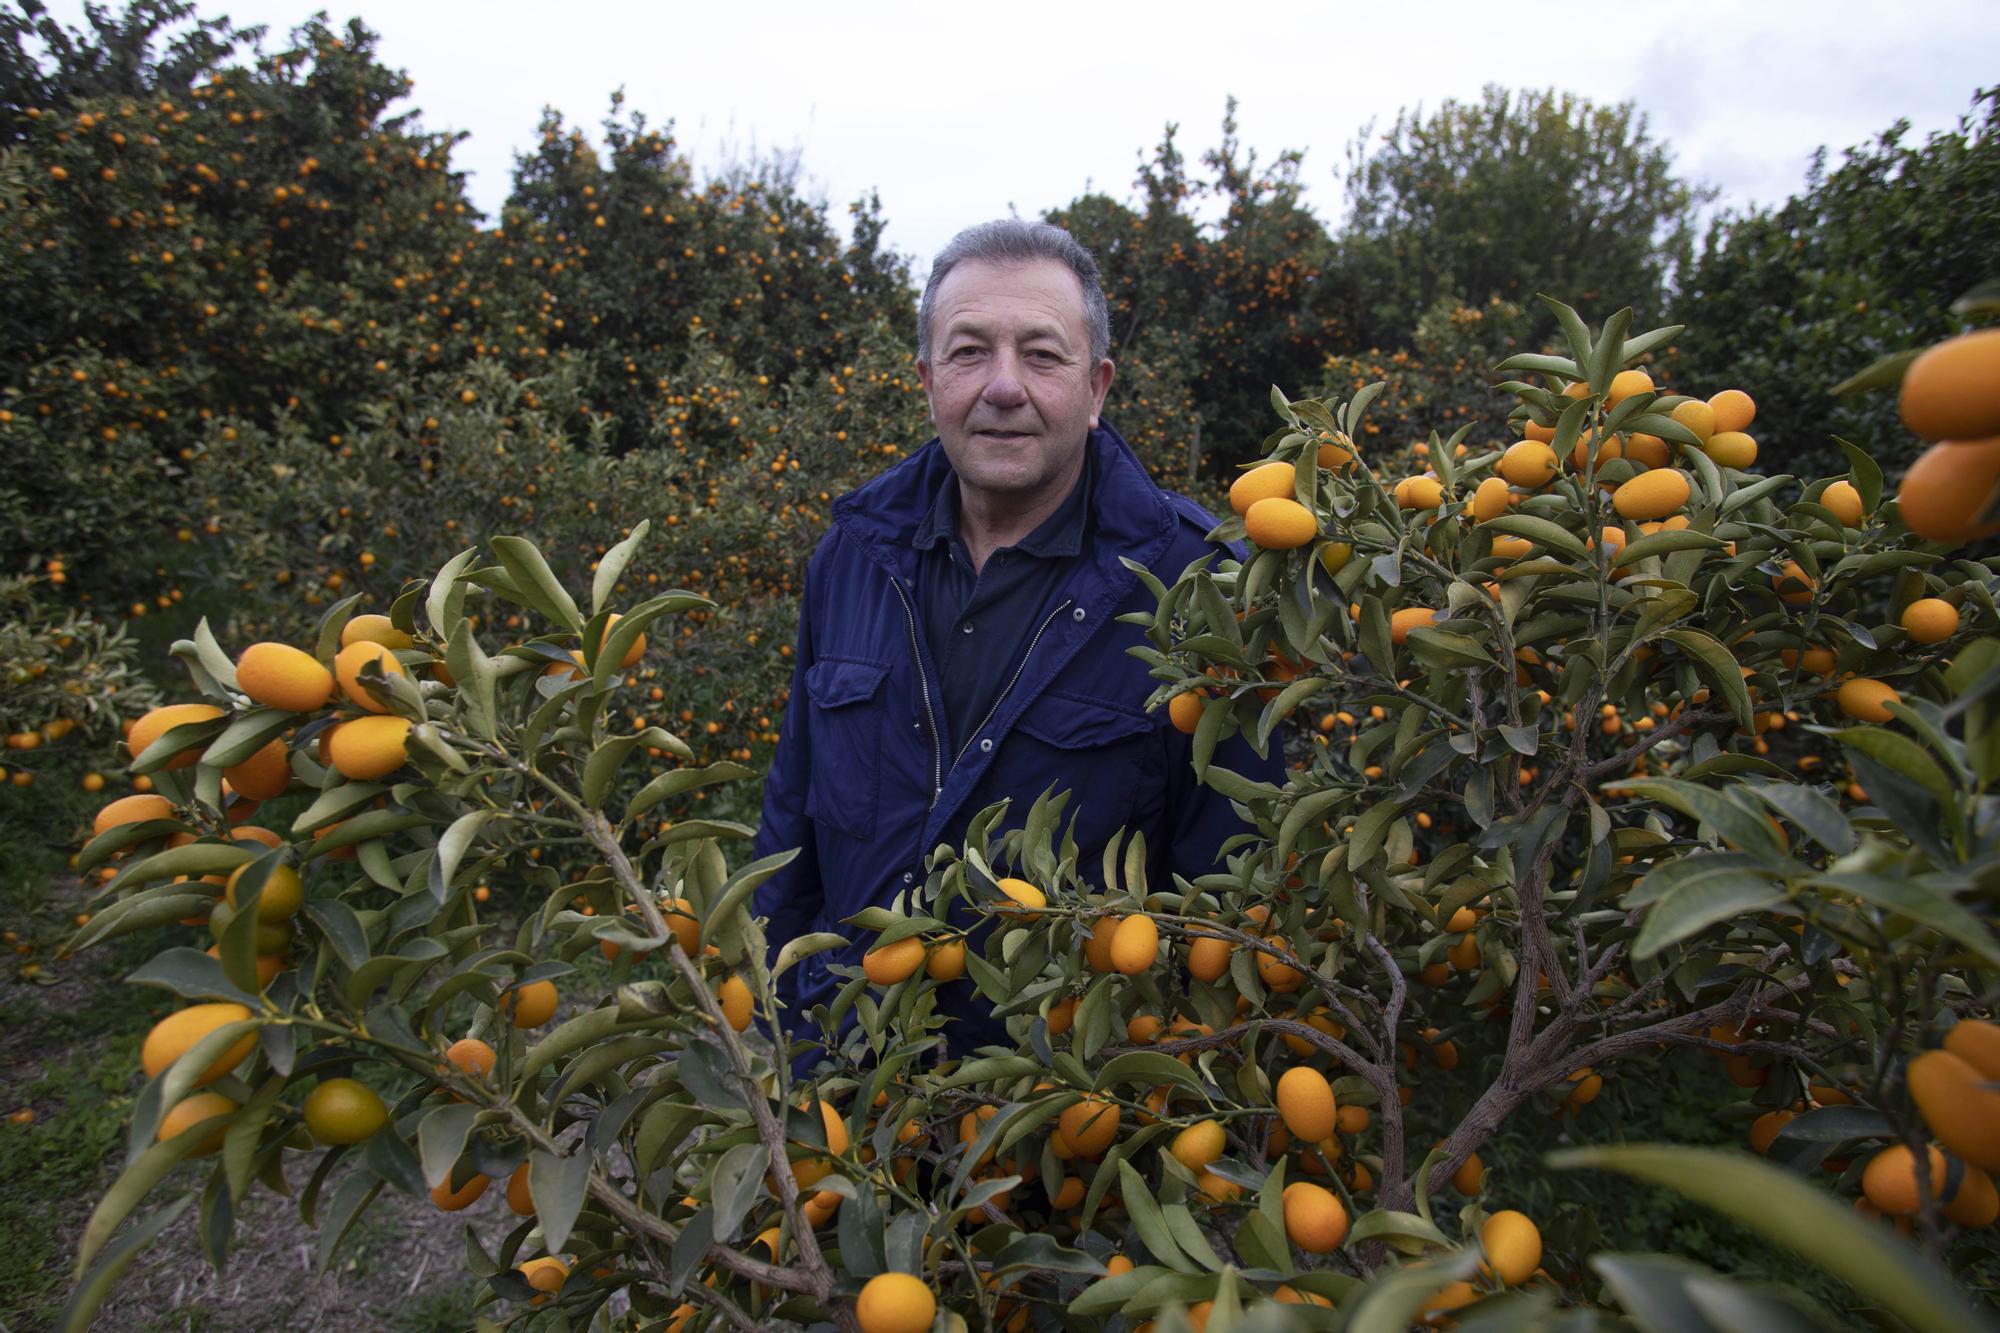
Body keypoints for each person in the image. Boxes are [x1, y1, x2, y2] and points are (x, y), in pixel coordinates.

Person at [750, 218, 1283, 1055]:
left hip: (1064, 1118)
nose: (1003, 386)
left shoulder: (1202, 587)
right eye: (968, 352)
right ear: (927, 379)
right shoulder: (853, 555)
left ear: (1098, 386)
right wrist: (771, 1032)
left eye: (1041, 354)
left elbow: (1234, 899)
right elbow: (792, 825)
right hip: (844, 1096)